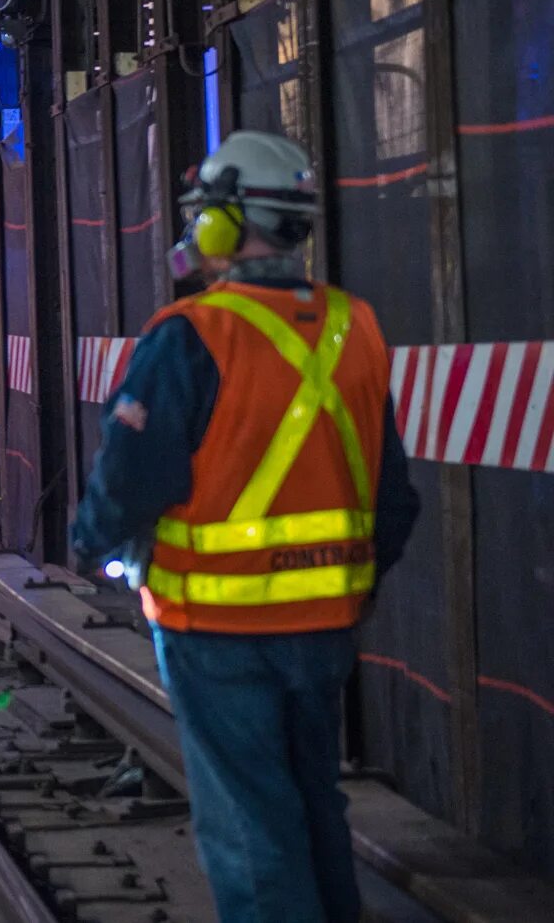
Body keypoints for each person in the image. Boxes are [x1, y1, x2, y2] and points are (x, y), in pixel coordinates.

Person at [69, 131, 420, 923]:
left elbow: (132, 475)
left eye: (204, 217)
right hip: (327, 627)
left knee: (249, 824)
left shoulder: (192, 334)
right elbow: (394, 498)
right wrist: (347, 582)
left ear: (228, 227)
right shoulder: (351, 327)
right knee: (313, 802)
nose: (195, 233)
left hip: (219, 630)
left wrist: (90, 541)